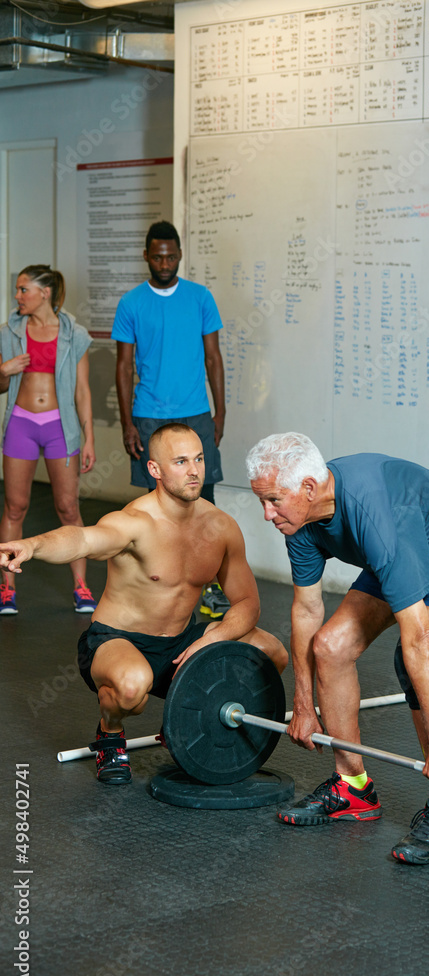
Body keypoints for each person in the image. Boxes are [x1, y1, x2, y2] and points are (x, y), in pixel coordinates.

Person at [246, 432, 429, 865]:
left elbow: (420, 639)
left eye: (273, 500)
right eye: (263, 500)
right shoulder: (299, 517)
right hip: (406, 548)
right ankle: (353, 786)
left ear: (309, 488)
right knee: (330, 646)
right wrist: (303, 702)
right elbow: (307, 611)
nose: (266, 514)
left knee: (411, 664)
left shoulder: (375, 514)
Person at [0, 423, 288, 784]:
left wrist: (213, 639)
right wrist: (33, 546)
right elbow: (82, 540)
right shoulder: (134, 523)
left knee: (271, 652)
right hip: (118, 641)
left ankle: (190, 719)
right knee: (132, 686)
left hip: (182, 644)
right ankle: (110, 732)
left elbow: (247, 603)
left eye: (199, 459)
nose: (194, 470)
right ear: (155, 470)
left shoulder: (221, 527)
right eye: (180, 461)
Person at [112, 220, 229, 620]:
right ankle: (158, 589)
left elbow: (214, 357)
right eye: (157, 256)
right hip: (148, 416)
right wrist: (127, 421)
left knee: (205, 503)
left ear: (180, 255)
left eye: (171, 256)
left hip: (196, 413)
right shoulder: (131, 303)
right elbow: (124, 366)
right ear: (146, 256)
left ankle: (211, 589)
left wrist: (220, 410)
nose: (165, 263)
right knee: (154, 508)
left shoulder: (200, 298)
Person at [0, 265, 97, 615]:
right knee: (15, 507)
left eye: (23, 289)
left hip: (60, 426)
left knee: (68, 508)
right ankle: (7, 588)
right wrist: (4, 370)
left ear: (45, 292)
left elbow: (83, 391)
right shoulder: (9, 331)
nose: (17, 296)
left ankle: (82, 587)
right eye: (17, 290)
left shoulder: (74, 334)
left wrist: (89, 438)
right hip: (21, 424)